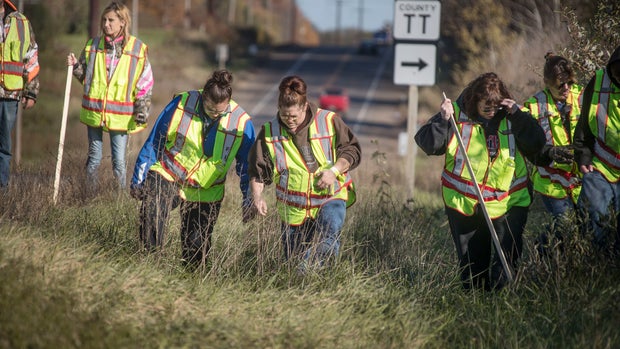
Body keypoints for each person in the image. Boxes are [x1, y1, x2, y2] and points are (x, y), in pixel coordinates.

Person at [414, 72, 546, 291]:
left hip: (509, 202)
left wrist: (518, 115)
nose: (492, 112)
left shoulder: (514, 116)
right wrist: (442, 119)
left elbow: (536, 144)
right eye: (486, 107)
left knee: (507, 257)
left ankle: (500, 300)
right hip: (465, 203)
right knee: (473, 264)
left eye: (495, 107)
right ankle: (475, 303)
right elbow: (428, 144)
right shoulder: (455, 114)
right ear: (475, 100)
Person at [130, 69, 255, 269]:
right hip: (168, 173)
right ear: (203, 97)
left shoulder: (241, 122)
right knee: (152, 212)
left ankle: (192, 282)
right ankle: (149, 266)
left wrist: (249, 199)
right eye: (210, 109)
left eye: (220, 112)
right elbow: (155, 140)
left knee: (196, 252)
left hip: (207, 190)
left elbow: (247, 167)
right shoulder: (181, 103)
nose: (215, 115)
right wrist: (138, 179)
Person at [248, 75, 361, 274]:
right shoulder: (269, 132)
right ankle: (303, 285)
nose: (289, 121)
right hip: (294, 208)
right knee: (293, 262)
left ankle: (321, 282)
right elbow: (258, 170)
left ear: (305, 106)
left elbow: (352, 151)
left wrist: (334, 172)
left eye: (294, 116)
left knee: (328, 237)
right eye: (284, 116)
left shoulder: (329, 121)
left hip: (330, 197)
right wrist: (257, 198)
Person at [67, 1, 153, 189]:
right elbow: (86, 79)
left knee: (119, 164)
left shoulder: (137, 50)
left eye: (111, 20)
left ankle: (118, 202)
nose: (106, 24)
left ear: (122, 22)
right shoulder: (93, 45)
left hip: (121, 116)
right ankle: (89, 198)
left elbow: (145, 84)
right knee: (93, 160)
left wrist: (141, 112)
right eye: (104, 20)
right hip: (94, 112)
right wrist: (75, 66)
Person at [524, 53, 583, 253]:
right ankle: (540, 252)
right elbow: (528, 148)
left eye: (569, 83)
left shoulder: (583, 97)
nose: (566, 88)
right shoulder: (533, 106)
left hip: (580, 179)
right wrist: (549, 152)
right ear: (547, 83)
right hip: (550, 181)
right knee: (565, 225)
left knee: (585, 226)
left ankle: (563, 262)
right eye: (560, 85)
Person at [573, 45, 620, 255]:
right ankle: (596, 261)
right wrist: (583, 155)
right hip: (602, 163)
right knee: (594, 212)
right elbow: (584, 122)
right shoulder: (599, 80)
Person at [0, 0, 39, 188]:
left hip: (10, 94)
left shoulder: (21, 22)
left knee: (4, 146)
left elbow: (31, 57)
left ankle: (3, 191)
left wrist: (30, 92)